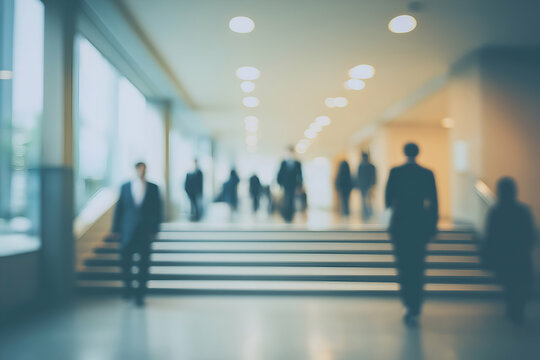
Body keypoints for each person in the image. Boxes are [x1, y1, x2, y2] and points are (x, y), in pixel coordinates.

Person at [385, 143, 438, 326]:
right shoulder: (426, 173)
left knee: (403, 265)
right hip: (419, 224)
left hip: (400, 224)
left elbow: (388, 198)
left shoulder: (396, 172)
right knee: (418, 265)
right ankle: (416, 304)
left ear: (404, 152)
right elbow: (433, 202)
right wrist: (433, 226)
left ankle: (407, 303)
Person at [484, 177, 536, 325]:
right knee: (521, 283)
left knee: (511, 283)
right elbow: (530, 234)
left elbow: (490, 235)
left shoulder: (496, 212)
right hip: (520, 255)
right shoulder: (522, 211)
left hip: (505, 256)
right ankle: (516, 309)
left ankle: (514, 308)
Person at [111, 162, 162, 306]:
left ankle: (140, 294)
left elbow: (158, 210)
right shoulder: (125, 187)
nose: (142, 172)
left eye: (144, 169)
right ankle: (128, 289)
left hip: (145, 232)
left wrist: (155, 230)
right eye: (140, 169)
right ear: (135, 170)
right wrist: (115, 229)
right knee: (125, 262)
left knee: (144, 264)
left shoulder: (153, 188)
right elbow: (119, 209)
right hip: (127, 232)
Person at [277, 146, 303, 223]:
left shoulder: (297, 163)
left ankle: (290, 216)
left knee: (292, 200)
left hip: (294, 185)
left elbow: (300, 175)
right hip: (285, 185)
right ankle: (285, 215)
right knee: (285, 200)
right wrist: (280, 183)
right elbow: (279, 174)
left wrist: (299, 186)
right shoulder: (283, 163)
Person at [357, 151, 377, 220]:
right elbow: (358, 177)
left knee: (368, 200)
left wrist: (372, 185)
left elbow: (373, 176)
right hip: (364, 186)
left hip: (367, 186)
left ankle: (368, 213)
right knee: (365, 200)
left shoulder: (369, 166)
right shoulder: (362, 166)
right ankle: (365, 213)